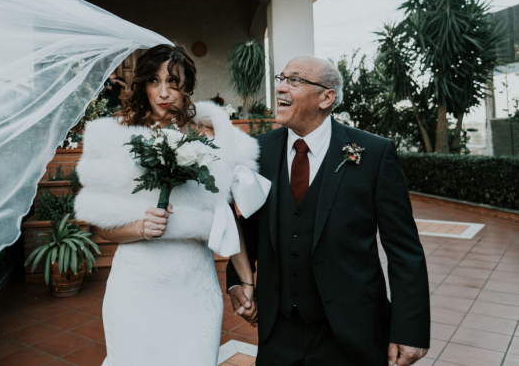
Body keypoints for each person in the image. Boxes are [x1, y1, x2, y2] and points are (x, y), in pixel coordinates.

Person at [226, 57, 431, 366]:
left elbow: (404, 249)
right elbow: (249, 229)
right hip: (278, 330)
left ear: (326, 97)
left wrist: (410, 330)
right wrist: (236, 281)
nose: (280, 87)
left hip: (352, 330)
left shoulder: (374, 154)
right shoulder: (258, 152)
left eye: (294, 80)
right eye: (281, 78)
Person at [74, 44, 263, 366]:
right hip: (136, 285)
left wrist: (246, 281)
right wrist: (137, 227)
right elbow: (100, 227)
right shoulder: (113, 138)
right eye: (154, 81)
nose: (164, 92)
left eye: (173, 83)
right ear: (142, 85)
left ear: (187, 86)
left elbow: (226, 215)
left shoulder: (212, 138)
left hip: (193, 285)